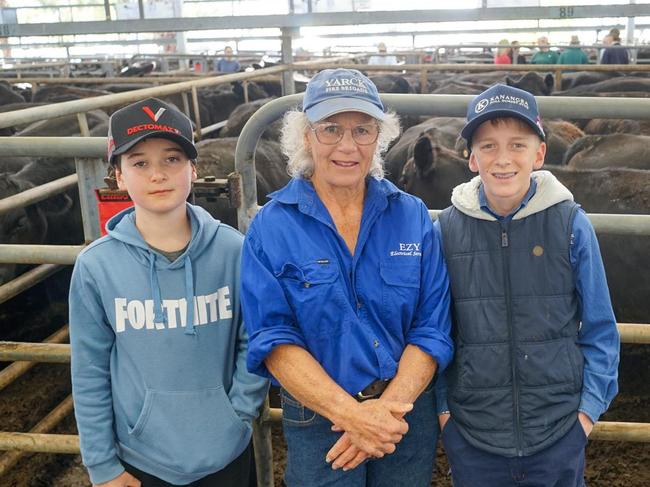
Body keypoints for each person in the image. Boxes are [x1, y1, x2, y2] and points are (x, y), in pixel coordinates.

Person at [241, 68, 454, 486]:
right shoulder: (270, 226)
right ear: (306, 136)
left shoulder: (410, 215)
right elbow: (274, 339)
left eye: (362, 130)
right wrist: (352, 416)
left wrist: (385, 413)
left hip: (404, 413)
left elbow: (432, 327)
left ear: (379, 137)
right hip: (320, 418)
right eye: (330, 129)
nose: (347, 146)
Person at [70, 97, 268, 487]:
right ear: (119, 176)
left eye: (172, 159)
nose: (157, 174)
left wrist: (238, 414)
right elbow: (89, 371)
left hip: (225, 450)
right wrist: (102, 465)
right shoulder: (96, 266)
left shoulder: (234, 250)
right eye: (139, 163)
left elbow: (255, 339)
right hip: (141, 459)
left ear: (193, 170)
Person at [434, 83, 620, 487]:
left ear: (539, 153)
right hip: (473, 434)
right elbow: (435, 330)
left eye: (517, 145)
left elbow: (600, 327)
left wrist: (585, 415)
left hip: (557, 432)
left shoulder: (570, 224)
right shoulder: (445, 231)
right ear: (470, 157)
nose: (503, 159)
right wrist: (445, 414)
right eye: (488, 146)